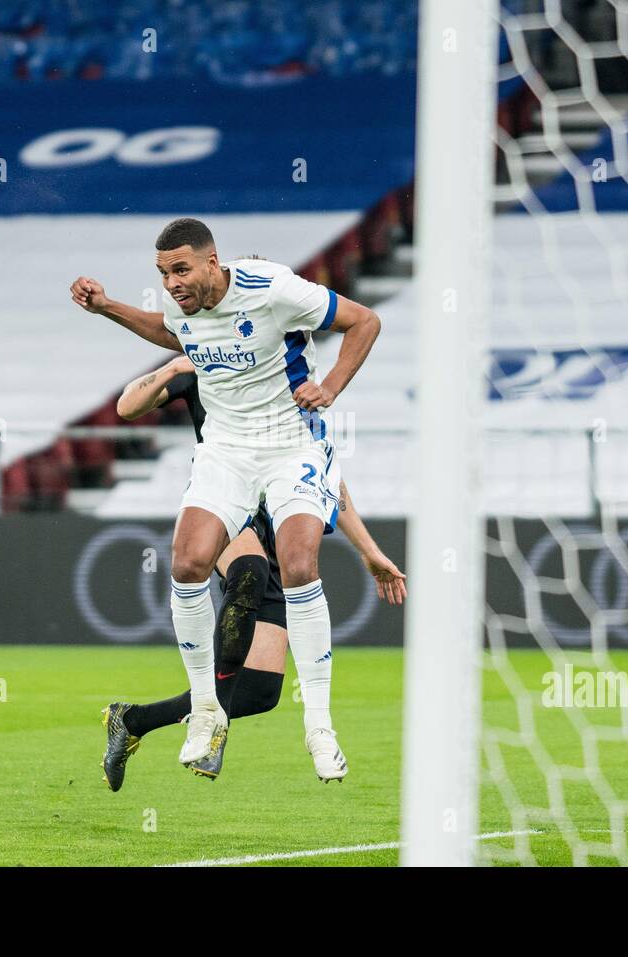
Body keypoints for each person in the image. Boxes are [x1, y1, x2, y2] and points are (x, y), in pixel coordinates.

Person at [70, 218, 381, 781]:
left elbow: (365, 320)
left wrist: (331, 385)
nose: (171, 283)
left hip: (290, 445)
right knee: (187, 562)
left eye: (181, 269)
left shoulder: (273, 290)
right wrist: (108, 307)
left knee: (296, 571)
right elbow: (170, 334)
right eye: (163, 273)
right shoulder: (185, 316)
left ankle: (319, 726)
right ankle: (205, 713)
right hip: (227, 452)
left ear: (215, 261)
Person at [99, 354, 406, 789]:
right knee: (249, 569)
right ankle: (212, 726)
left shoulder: (294, 380)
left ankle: (131, 720)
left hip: (281, 520)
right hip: (222, 505)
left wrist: (370, 552)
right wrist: (173, 367)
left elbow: (327, 477)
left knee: (260, 691)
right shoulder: (210, 358)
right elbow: (127, 407)